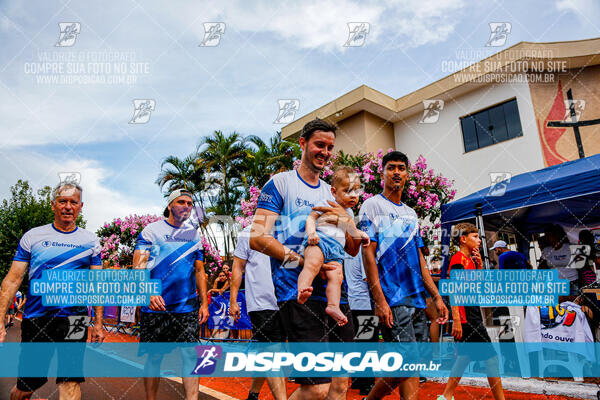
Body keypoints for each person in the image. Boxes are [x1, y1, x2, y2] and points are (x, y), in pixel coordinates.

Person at [250, 118, 362, 400]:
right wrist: (305, 263)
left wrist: (350, 224)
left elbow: (351, 249)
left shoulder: (333, 192)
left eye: (330, 147)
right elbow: (258, 238)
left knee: (339, 385)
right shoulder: (280, 184)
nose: (325, 152)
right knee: (317, 387)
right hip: (298, 292)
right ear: (302, 144)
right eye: (319, 145)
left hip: (337, 296)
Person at [0, 181, 105, 400]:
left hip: (76, 318)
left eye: (73, 202)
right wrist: (0, 319)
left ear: (81, 206)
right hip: (38, 317)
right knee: (27, 385)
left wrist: (98, 323)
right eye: (62, 201)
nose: (68, 206)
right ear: (53, 205)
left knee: (71, 378)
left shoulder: (90, 240)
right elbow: (12, 280)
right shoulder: (33, 237)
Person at [359, 151, 448, 400]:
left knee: (410, 363)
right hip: (392, 296)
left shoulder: (411, 214)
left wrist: (436, 296)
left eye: (401, 168)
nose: (396, 172)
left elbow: (420, 259)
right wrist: (379, 300)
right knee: (406, 359)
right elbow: (368, 255)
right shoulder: (372, 205)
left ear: (407, 174)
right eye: (391, 168)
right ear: (382, 173)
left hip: (416, 298)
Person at [133, 188, 209, 400]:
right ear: (169, 205)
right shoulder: (151, 231)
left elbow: (200, 270)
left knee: (190, 354)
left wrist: (204, 303)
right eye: (181, 202)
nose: (186, 206)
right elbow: (138, 266)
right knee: (154, 357)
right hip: (157, 305)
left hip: (187, 306)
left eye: (189, 204)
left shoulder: (194, 235)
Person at [438, 223, 505, 400]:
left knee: (464, 357)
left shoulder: (471, 261)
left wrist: (480, 267)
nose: (478, 240)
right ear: (463, 239)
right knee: (491, 359)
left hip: (472, 313)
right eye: (475, 236)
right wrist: (457, 320)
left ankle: (446, 396)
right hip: (468, 317)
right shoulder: (458, 259)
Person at [298, 166, 370, 325]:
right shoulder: (327, 203)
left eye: (356, 191)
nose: (353, 196)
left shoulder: (350, 213)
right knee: (312, 264)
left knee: (337, 277)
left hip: (337, 251)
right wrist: (311, 234)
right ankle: (303, 288)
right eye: (347, 191)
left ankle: (333, 306)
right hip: (320, 242)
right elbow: (310, 219)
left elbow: (350, 231)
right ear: (334, 191)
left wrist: (361, 234)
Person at [229, 226, 287, 400]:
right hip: (262, 303)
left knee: (266, 353)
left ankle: (253, 395)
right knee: (272, 353)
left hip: (287, 300)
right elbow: (238, 266)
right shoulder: (249, 232)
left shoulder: (287, 227)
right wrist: (233, 301)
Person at [540, 224, 578, 297]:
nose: (548, 238)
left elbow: (580, 266)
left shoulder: (570, 247)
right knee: (560, 306)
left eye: (550, 235)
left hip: (573, 281)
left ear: (557, 235)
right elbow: (542, 268)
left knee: (574, 305)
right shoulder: (546, 251)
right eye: (547, 236)